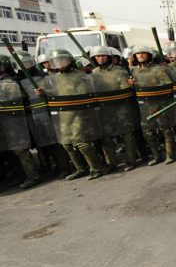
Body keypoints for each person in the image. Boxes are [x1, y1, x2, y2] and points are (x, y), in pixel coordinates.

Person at [36, 50, 105, 180]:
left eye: (62, 60)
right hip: (62, 115)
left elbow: (84, 94)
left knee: (82, 143)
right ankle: (80, 169)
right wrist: (42, 93)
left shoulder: (81, 76)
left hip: (80, 114)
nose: (59, 63)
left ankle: (96, 168)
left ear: (69, 61)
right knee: (66, 144)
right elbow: (50, 95)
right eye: (57, 61)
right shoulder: (51, 79)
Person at [89, 45, 140, 171]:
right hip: (103, 109)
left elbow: (126, 90)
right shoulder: (93, 74)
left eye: (103, 55)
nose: (100, 58)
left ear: (109, 57)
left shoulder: (119, 71)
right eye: (98, 56)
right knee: (106, 137)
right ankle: (111, 162)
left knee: (127, 134)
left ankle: (130, 160)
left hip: (121, 108)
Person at [129, 46, 176, 165]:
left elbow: (168, 85)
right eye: (138, 54)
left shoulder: (158, 69)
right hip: (144, 106)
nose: (140, 55)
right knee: (148, 133)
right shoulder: (133, 70)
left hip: (160, 104)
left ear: (149, 55)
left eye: (143, 53)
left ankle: (170, 155)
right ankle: (157, 156)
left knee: (165, 130)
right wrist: (131, 84)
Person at [0, 56, 39, 188]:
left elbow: (21, 99)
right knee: (8, 151)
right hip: (3, 121)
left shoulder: (11, 82)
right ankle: (20, 175)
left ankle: (32, 175)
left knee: (20, 150)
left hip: (14, 120)